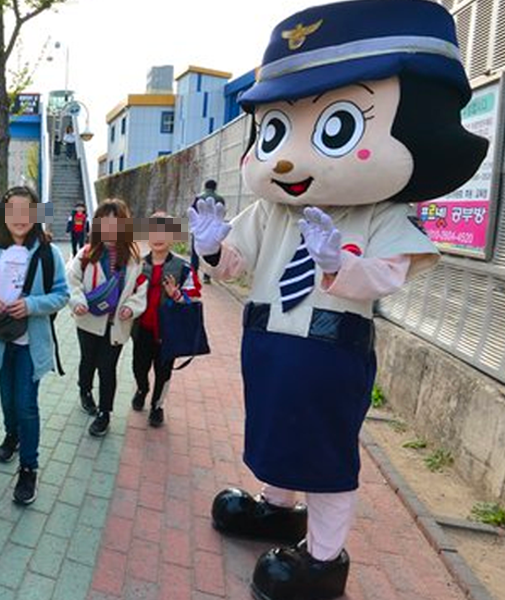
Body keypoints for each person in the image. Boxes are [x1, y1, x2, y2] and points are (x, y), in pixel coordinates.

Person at [188, 2, 486, 599]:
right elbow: (237, 263)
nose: (286, 158)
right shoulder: (272, 209)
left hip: (331, 351)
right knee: (275, 431)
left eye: (336, 126)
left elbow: (389, 276)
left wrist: (338, 265)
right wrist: (212, 247)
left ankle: (324, 558)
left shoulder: (380, 213)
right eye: (275, 131)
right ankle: (276, 507)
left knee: (325, 453)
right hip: (267, 344)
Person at [0, 186, 69, 505]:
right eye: (12, 210)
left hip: (32, 343)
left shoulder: (48, 252)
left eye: (26, 210)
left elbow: (62, 294)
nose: (19, 217)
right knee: (7, 397)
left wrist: (31, 305)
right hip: (1, 339)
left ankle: (29, 467)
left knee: (26, 404)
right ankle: (11, 436)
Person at [67, 198, 148, 437]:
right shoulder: (86, 254)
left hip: (116, 325)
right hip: (88, 321)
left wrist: (131, 308)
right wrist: (78, 302)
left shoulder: (134, 259)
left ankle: (104, 413)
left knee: (107, 368)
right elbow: (71, 281)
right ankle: (84, 390)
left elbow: (140, 290)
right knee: (88, 361)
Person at [132, 212, 202, 427]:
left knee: (163, 373)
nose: (158, 237)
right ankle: (142, 389)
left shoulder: (183, 268)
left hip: (167, 333)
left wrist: (177, 295)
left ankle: (157, 405)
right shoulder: (137, 265)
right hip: (141, 330)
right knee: (139, 367)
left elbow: (194, 298)